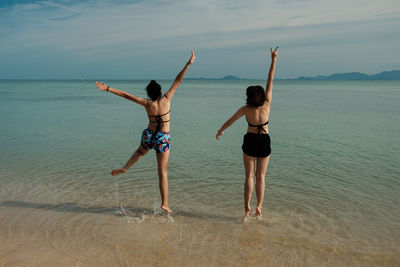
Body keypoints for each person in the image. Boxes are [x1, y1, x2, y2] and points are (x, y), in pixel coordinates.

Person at [95, 50, 196, 213]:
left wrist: (108, 88)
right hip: (163, 137)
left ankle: (126, 167)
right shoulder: (166, 99)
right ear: (160, 91)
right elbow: (178, 80)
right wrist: (188, 64)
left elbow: (126, 95)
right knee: (162, 172)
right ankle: (165, 203)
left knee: (140, 152)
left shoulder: (147, 103)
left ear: (148, 93)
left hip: (149, 135)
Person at [216, 47, 278, 217]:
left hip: (250, 140)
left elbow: (230, 121)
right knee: (261, 177)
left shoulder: (245, 109)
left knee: (249, 177)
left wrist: (220, 131)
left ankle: (246, 208)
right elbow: (270, 80)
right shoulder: (267, 104)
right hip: (264, 140)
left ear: (249, 97)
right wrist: (273, 60)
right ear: (262, 95)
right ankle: (259, 206)